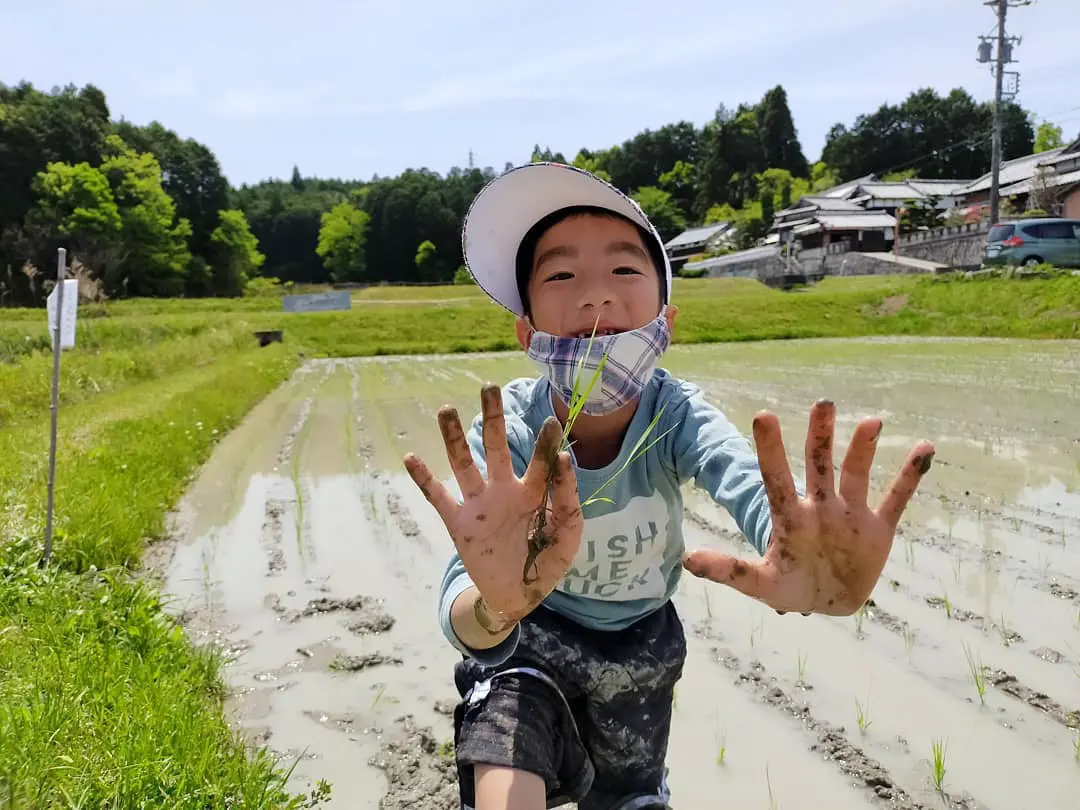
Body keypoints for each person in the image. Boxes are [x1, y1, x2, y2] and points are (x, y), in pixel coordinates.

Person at [402, 162, 935, 810]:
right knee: (505, 761)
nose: (596, 298)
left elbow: (737, 472)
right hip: (532, 637)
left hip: (641, 648)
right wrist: (497, 607)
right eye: (562, 275)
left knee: (631, 799)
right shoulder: (516, 428)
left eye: (624, 271)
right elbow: (471, 593)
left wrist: (794, 546)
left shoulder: (678, 416)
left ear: (665, 320)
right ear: (527, 331)